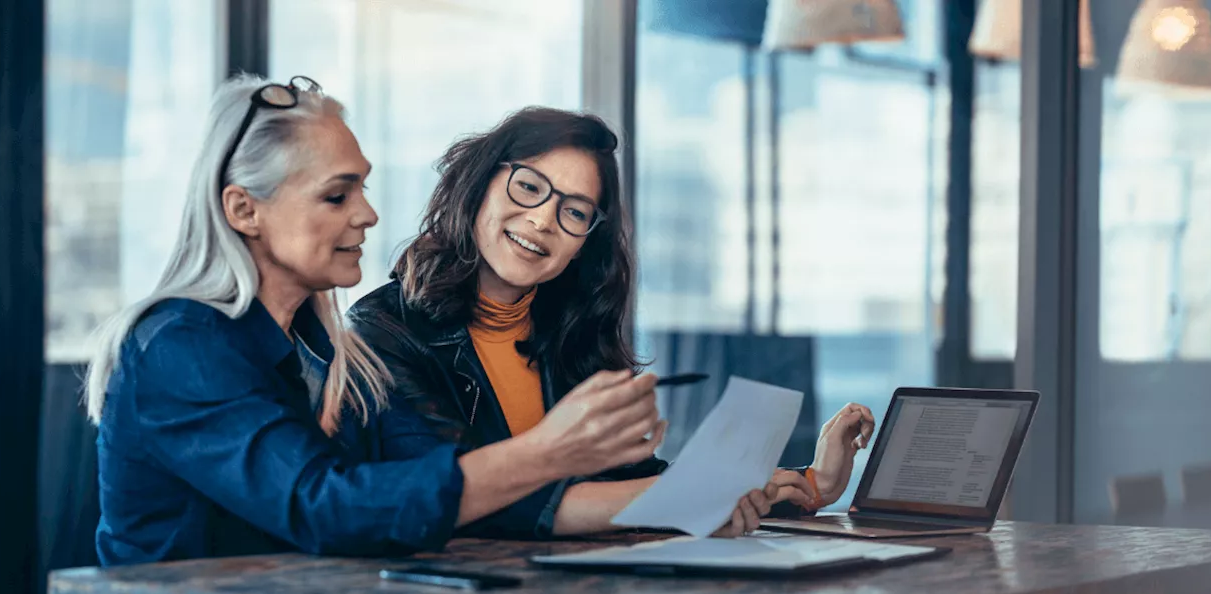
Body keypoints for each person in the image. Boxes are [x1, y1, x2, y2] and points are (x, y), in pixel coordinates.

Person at [77, 76, 755, 594]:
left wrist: (710, 492)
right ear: (243, 209)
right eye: (338, 196)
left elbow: (411, 491)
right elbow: (330, 508)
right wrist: (551, 452)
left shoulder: (321, 348)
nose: (369, 214)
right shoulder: (179, 347)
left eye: (363, 189)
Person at [347, 107, 876, 538]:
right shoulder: (382, 331)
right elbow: (460, 497)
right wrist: (689, 499)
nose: (542, 220)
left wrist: (810, 483)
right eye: (528, 187)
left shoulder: (568, 332)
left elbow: (632, 483)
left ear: (584, 244)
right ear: (480, 184)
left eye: (574, 212)